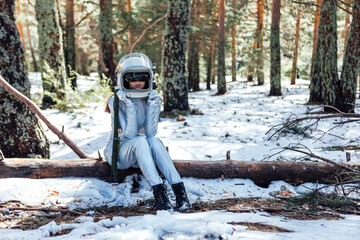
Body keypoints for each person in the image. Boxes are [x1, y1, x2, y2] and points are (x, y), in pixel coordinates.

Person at [103, 53, 190, 210]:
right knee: (139, 140)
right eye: (131, 78)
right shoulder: (115, 100)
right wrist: (128, 106)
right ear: (123, 79)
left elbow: (151, 134)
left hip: (140, 152)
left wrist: (152, 106)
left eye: (141, 77)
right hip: (119, 152)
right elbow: (129, 134)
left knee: (154, 141)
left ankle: (180, 193)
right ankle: (160, 195)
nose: (137, 82)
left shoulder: (150, 97)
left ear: (149, 78)